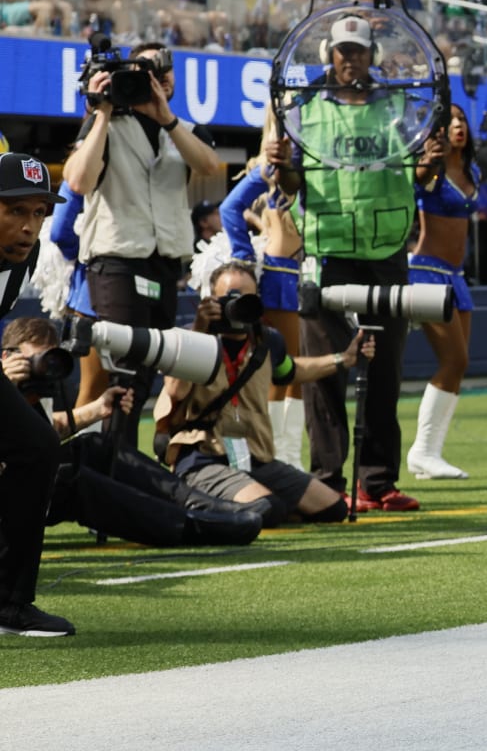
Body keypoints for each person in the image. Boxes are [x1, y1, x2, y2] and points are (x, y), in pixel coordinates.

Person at [275, 14, 422, 512]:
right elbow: (291, 186)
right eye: (343, 51)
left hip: (386, 253)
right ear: (329, 58)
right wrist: (281, 168)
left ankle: (377, 482)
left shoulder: (403, 110)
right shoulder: (303, 112)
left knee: (386, 371)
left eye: (359, 51)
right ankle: (328, 481)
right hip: (327, 251)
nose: (351, 59)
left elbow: (421, 173)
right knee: (325, 372)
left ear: (372, 56)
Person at [63, 42, 225, 444]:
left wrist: (165, 117)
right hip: (117, 261)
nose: (155, 77)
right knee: (124, 371)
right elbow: (78, 182)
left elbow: (208, 166)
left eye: (163, 70)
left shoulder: (183, 128)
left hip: (165, 264)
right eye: (144, 70)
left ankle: (120, 464)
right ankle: (112, 466)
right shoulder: (106, 124)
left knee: (149, 369)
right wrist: (100, 111)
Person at [4, 317, 263, 550]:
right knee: (71, 481)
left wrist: (97, 409)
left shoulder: (32, 394)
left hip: (22, 485)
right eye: (35, 360)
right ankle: (191, 526)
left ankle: (201, 505)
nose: (44, 369)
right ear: (6, 357)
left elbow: (41, 436)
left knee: (95, 446)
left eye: (50, 359)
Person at [157, 260, 363, 525]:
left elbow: (291, 372)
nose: (237, 305)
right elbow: (175, 391)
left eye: (246, 298)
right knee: (267, 509)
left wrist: (343, 359)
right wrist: (200, 328)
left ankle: (239, 499)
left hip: (253, 457)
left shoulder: (267, 341)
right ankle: (200, 498)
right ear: (211, 299)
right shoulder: (189, 339)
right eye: (229, 298)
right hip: (202, 456)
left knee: (333, 509)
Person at [0, 153, 74, 635]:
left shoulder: (19, 263)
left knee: (39, 447)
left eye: (39, 213)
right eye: (15, 211)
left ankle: (9, 603)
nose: (30, 227)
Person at [216, 115, 306, 467]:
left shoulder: (298, 167)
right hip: (282, 275)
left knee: (281, 369)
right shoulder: (270, 168)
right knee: (286, 369)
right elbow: (229, 208)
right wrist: (242, 258)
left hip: (289, 274)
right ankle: (282, 456)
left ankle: (279, 454)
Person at [407, 103, 480, 480]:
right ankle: (421, 450)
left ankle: (430, 452)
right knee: (454, 360)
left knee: (459, 363)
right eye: (450, 120)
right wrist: (427, 158)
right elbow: (417, 179)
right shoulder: (431, 166)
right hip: (426, 272)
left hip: (456, 275)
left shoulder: (472, 169)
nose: (458, 126)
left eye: (462, 119)